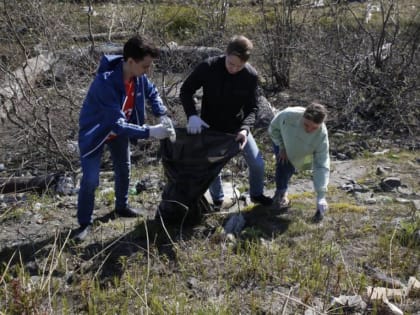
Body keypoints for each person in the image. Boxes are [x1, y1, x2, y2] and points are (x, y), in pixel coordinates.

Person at [75, 36, 173, 241]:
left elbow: (152, 92)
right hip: (96, 133)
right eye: (145, 66)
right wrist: (150, 132)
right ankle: (84, 222)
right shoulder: (105, 83)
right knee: (91, 180)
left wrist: (161, 113)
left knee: (124, 168)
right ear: (130, 62)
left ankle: (122, 206)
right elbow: (116, 124)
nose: (147, 70)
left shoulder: (139, 77)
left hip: (118, 132)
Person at [180, 35, 272, 210]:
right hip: (210, 126)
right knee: (212, 166)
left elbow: (252, 107)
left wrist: (245, 130)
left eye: (239, 66)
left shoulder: (250, 75)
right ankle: (218, 199)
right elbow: (186, 90)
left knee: (257, 163)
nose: (234, 69)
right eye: (231, 63)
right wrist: (192, 115)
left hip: (237, 128)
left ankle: (257, 195)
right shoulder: (208, 66)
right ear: (226, 53)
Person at [268, 102, 330, 222]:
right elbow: (273, 129)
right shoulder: (287, 115)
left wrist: (321, 196)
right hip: (283, 140)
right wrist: (282, 147)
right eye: (306, 125)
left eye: (314, 128)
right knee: (284, 163)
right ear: (302, 117)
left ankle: (294, 166)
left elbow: (321, 164)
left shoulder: (321, 135)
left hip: (304, 148)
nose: (309, 130)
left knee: (298, 165)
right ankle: (281, 193)